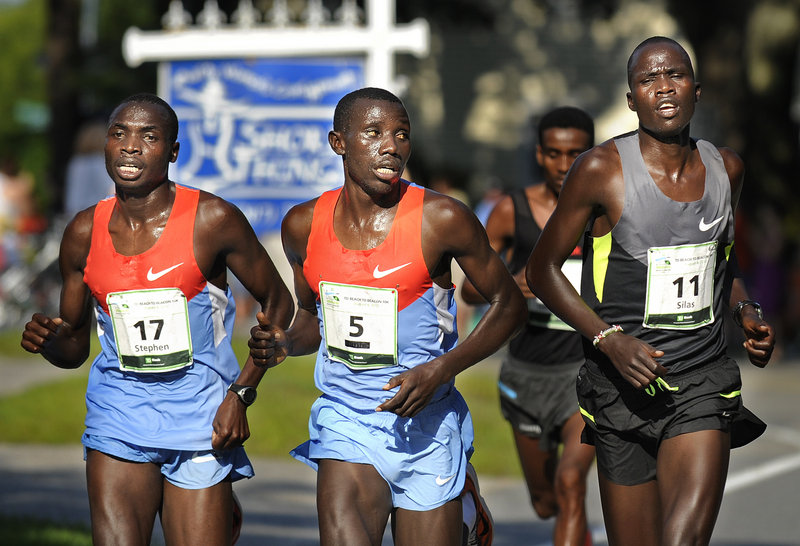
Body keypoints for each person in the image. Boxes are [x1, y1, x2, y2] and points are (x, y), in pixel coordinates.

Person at [248, 87, 526, 546]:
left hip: (426, 424)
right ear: (339, 142)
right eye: (374, 133)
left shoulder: (441, 218)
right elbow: (312, 319)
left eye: (402, 135)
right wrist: (284, 343)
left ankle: (464, 499)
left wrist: (440, 369)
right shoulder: (303, 225)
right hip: (347, 420)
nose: (392, 146)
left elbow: (509, 305)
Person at [526, 37, 775, 546]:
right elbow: (542, 271)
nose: (663, 87)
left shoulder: (727, 169)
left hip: (701, 380)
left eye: (675, 75)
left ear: (696, 90)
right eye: (648, 79)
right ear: (631, 99)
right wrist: (607, 340)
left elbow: (721, 264)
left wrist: (744, 308)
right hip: (621, 388)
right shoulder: (600, 170)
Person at [20, 93, 294, 545]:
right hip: (119, 415)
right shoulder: (83, 233)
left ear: (172, 151)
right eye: (119, 134)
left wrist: (241, 393)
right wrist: (51, 341)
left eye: (148, 136)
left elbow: (277, 302)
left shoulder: (212, 219)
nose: (130, 146)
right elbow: (75, 348)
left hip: (204, 420)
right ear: (105, 146)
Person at [460, 106, 596, 545]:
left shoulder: (606, 211)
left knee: (572, 483)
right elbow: (468, 292)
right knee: (545, 501)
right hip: (526, 372)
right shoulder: (509, 210)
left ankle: (572, 519)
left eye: (575, 154)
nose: (564, 165)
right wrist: (515, 285)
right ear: (539, 154)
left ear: (591, 154)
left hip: (586, 373)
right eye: (554, 153)